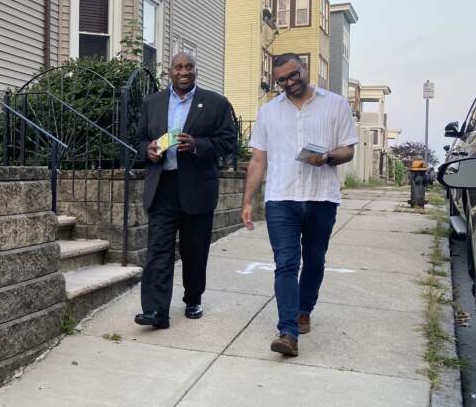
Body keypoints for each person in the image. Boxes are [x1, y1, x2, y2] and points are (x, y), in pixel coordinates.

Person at [241, 52, 358, 357]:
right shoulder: (268, 112)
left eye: (294, 75)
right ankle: (288, 331)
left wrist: (328, 157)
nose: (290, 83)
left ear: (304, 70)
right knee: (286, 263)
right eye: (282, 80)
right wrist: (247, 201)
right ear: (275, 80)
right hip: (281, 198)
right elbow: (257, 160)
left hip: (322, 197)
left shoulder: (335, 104)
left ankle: (305, 309)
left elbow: (348, 150)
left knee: (315, 261)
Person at [133, 51, 237, 329]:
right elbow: (139, 139)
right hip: (162, 186)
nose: (184, 71)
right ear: (170, 72)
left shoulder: (215, 103)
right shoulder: (153, 102)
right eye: (178, 67)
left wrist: (198, 146)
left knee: (194, 249)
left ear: (195, 71)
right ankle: (155, 311)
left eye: (189, 67)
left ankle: (193, 297)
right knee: (158, 250)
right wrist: (148, 150)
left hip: (196, 188)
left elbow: (228, 142)